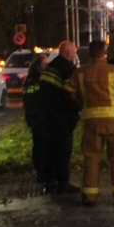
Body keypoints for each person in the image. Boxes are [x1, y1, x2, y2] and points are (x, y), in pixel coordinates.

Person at [67, 40, 114, 206]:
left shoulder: (80, 73)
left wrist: (81, 105)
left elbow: (69, 94)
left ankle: (89, 197)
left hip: (91, 123)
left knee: (91, 159)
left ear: (89, 54)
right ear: (105, 53)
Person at [37, 41, 81, 194]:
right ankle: (63, 181)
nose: (75, 54)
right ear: (68, 53)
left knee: (50, 149)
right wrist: (77, 110)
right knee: (63, 150)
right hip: (62, 116)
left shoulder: (51, 67)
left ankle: (49, 180)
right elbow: (71, 94)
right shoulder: (67, 69)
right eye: (74, 52)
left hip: (48, 115)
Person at [21, 51, 50, 184]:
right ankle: (41, 172)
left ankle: (44, 171)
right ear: (38, 66)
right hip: (37, 118)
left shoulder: (40, 78)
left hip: (41, 117)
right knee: (39, 146)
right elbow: (31, 100)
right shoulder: (34, 80)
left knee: (43, 145)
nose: (47, 67)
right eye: (45, 64)